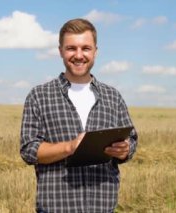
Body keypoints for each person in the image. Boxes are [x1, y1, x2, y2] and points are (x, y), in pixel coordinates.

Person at [20, 18, 138, 213]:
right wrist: (70, 146)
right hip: (56, 207)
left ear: (95, 52)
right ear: (60, 51)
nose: (79, 55)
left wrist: (125, 150)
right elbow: (28, 150)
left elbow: (131, 139)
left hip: (103, 206)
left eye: (86, 48)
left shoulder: (113, 96)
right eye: (71, 48)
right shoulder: (39, 95)